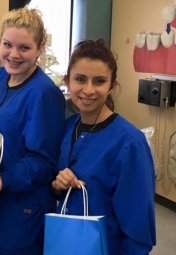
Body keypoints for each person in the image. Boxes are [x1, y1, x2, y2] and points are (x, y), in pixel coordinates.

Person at [0, 8, 67, 255]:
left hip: (23, 208)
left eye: (24, 48)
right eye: (7, 44)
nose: (14, 54)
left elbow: (43, 162)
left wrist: (2, 180)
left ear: (40, 48)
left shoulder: (44, 94)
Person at [52, 39, 156, 254]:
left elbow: (138, 228)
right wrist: (57, 184)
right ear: (67, 81)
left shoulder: (130, 143)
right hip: (65, 242)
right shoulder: (68, 127)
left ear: (112, 86)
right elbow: (55, 188)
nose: (88, 90)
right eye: (80, 79)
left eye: (99, 81)